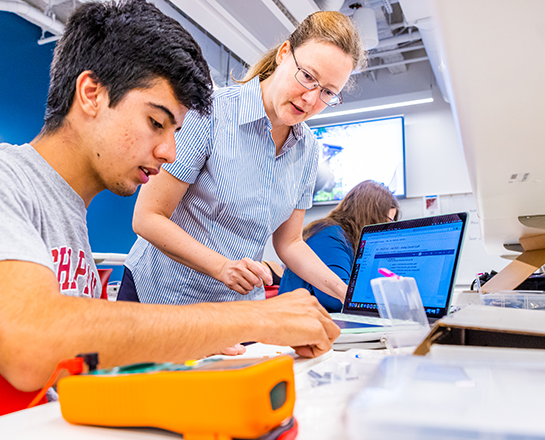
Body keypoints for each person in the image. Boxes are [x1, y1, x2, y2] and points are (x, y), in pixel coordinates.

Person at [0, 0, 339, 392]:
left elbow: (78, 367)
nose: (168, 152)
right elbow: (31, 345)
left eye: (175, 132)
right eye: (155, 122)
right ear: (91, 94)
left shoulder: (71, 217)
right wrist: (251, 318)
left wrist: (195, 343)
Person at [121, 11, 366, 306]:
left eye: (328, 92)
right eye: (308, 77)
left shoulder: (308, 149)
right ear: (284, 54)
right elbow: (147, 217)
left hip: (237, 306)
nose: (311, 100)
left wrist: (350, 294)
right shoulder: (210, 112)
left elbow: (289, 243)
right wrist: (221, 267)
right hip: (164, 296)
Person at [278, 181, 399, 312]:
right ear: (370, 214)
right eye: (387, 222)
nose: (388, 230)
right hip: (298, 322)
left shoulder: (345, 238)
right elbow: (335, 300)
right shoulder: (328, 235)